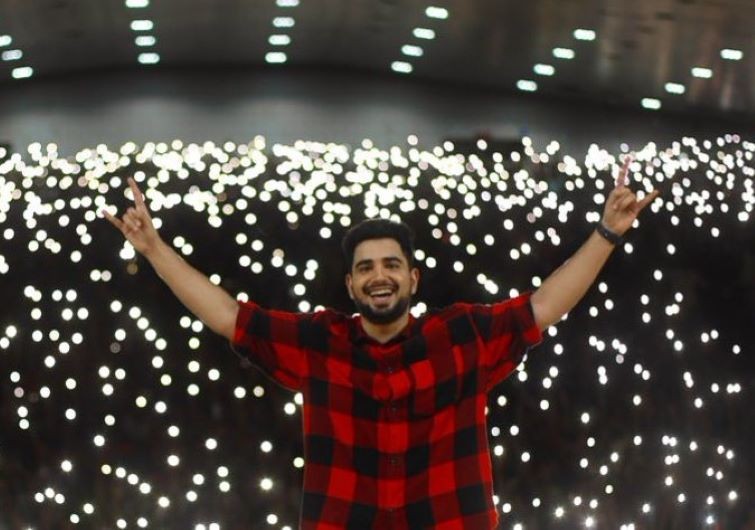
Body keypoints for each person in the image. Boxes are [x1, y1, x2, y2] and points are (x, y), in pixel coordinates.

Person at [103, 157, 658, 530]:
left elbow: (543, 306)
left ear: (413, 278)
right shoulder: (320, 342)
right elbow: (229, 317)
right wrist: (154, 250)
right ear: (351, 286)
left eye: (391, 264)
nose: (379, 276)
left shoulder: (461, 335)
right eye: (366, 268)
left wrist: (606, 233)